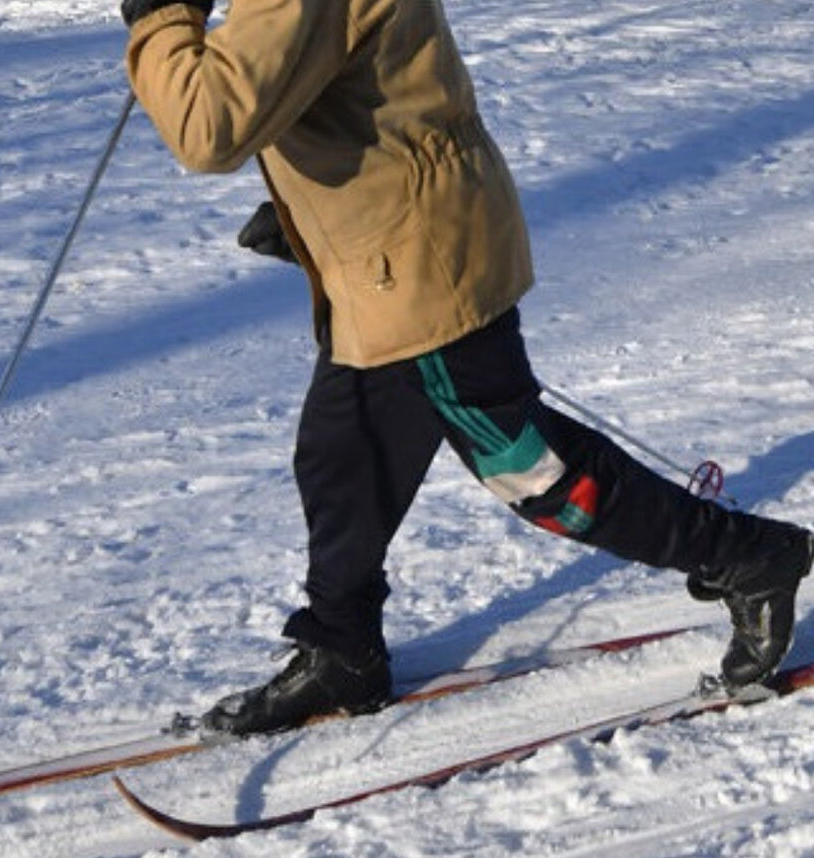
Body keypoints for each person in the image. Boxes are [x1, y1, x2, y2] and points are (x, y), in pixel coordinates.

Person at [119, 0, 813, 736]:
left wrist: (160, 17)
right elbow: (339, 88)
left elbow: (208, 128)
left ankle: (749, 556)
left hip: (420, 262)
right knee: (341, 454)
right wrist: (312, 217)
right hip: (384, 255)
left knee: (529, 467)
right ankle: (343, 650)